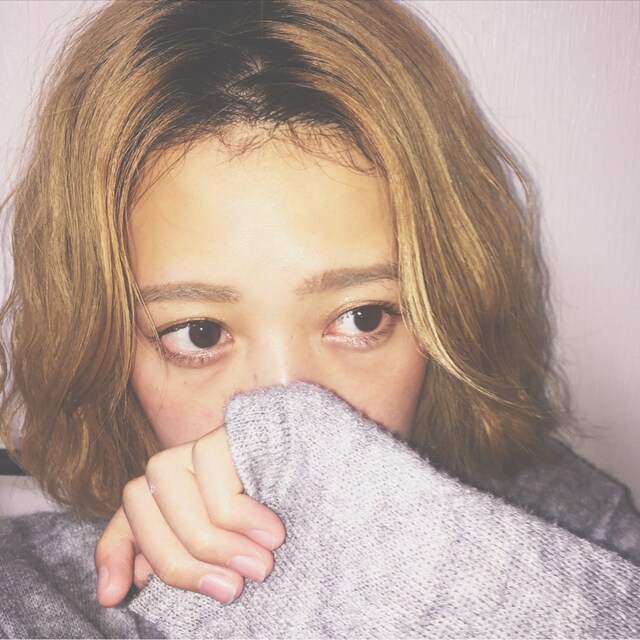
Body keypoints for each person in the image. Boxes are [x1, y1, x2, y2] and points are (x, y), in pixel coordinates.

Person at [0, 0, 639, 637]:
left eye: (362, 318)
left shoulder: (580, 536)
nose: (293, 418)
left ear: (446, 315)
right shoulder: (27, 598)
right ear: (105, 345)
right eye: (200, 333)